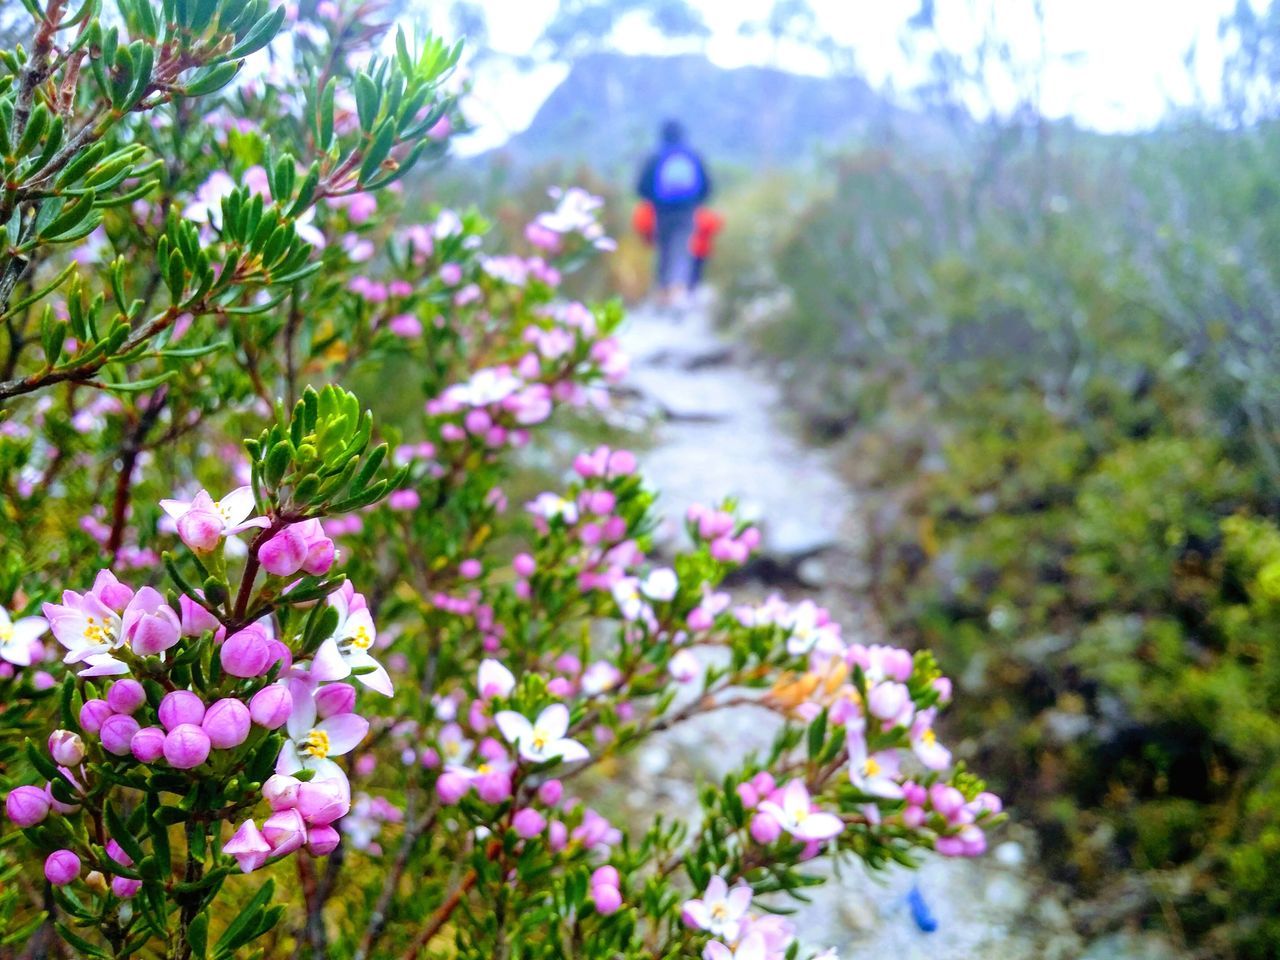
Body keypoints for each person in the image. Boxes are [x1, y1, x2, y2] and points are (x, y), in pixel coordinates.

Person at [635, 119, 711, 304]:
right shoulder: (692, 155)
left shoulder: (655, 155)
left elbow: (642, 186)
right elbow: (707, 185)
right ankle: (679, 288)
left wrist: (654, 201)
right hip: (686, 209)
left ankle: (664, 290)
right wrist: (695, 202)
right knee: (682, 246)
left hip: (662, 211)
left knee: (664, 247)